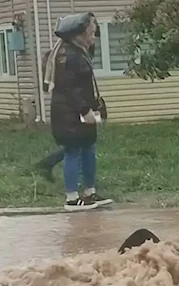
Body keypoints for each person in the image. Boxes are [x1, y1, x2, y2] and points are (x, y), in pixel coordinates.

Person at [43, 13, 112, 211]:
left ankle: (90, 193)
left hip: (81, 109)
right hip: (69, 112)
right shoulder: (68, 55)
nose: (93, 36)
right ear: (79, 34)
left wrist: (90, 108)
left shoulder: (79, 50)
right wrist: (84, 109)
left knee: (89, 149)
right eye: (91, 33)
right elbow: (69, 87)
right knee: (73, 151)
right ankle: (72, 199)